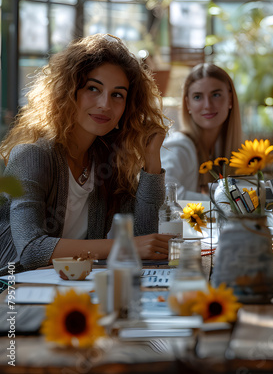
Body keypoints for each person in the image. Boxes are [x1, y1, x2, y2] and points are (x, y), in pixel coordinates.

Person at [0, 33, 173, 274]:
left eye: (117, 95)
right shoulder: (32, 156)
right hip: (12, 292)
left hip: (71, 288)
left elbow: (145, 237)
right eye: (93, 88)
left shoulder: (106, 164)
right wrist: (124, 246)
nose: (105, 104)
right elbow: (31, 250)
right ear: (69, 93)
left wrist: (152, 158)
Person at [161, 63, 242, 200]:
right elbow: (166, 195)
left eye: (216, 95)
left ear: (230, 99)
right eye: (198, 97)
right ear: (188, 104)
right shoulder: (179, 145)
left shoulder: (224, 147)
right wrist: (231, 203)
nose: (207, 105)